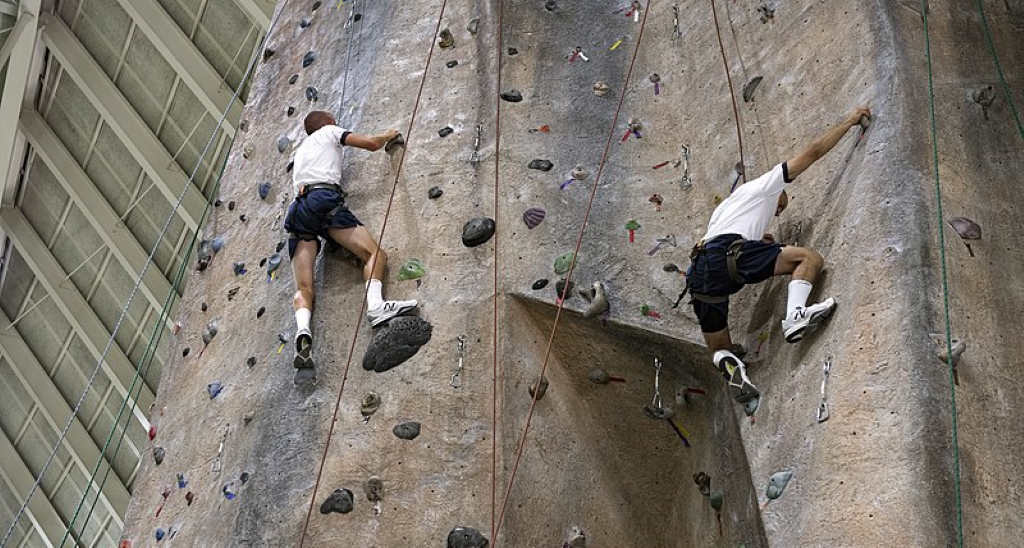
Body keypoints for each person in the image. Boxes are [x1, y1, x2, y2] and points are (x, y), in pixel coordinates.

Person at [685, 106, 871, 403]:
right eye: (780, 207)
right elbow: (812, 153)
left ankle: (729, 363)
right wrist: (848, 122)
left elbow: (722, 244)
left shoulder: (725, 210)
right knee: (808, 259)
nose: (779, 211)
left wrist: (759, 240)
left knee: (720, 347)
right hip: (728, 253)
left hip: (699, 269)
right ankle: (795, 316)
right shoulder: (767, 187)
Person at [286, 111, 418, 370]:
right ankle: (377, 307)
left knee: (304, 288)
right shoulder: (330, 132)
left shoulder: (301, 151)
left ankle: (303, 331)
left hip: (298, 211)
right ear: (328, 123)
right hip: (322, 200)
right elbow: (369, 144)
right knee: (375, 255)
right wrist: (389, 135)